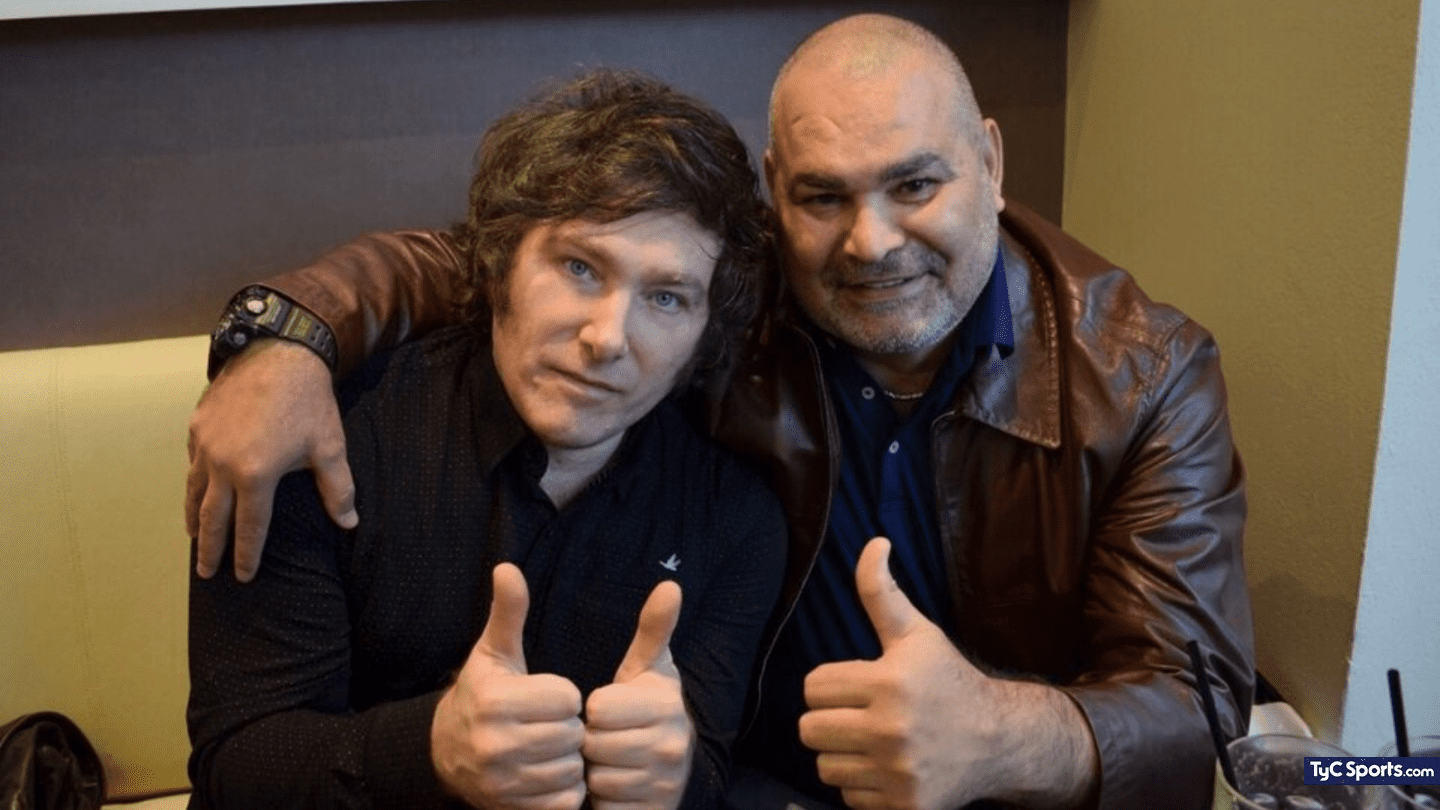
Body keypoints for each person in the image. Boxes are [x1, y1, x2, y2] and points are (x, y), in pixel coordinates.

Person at [186, 14, 1256, 810]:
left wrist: (998, 737)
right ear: (777, 194)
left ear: (990, 159)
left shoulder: (1143, 376)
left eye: (916, 185)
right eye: (824, 196)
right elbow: (513, 245)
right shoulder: (733, 297)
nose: (871, 243)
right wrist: (289, 338)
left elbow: (1201, 713)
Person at [185, 69, 788, 810]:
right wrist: (428, 750)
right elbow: (236, 763)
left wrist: (678, 777)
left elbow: (709, 771)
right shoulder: (324, 439)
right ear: (502, 261)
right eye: (578, 267)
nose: (607, 338)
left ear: (703, 334)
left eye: (666, 297)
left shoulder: (737, 518)